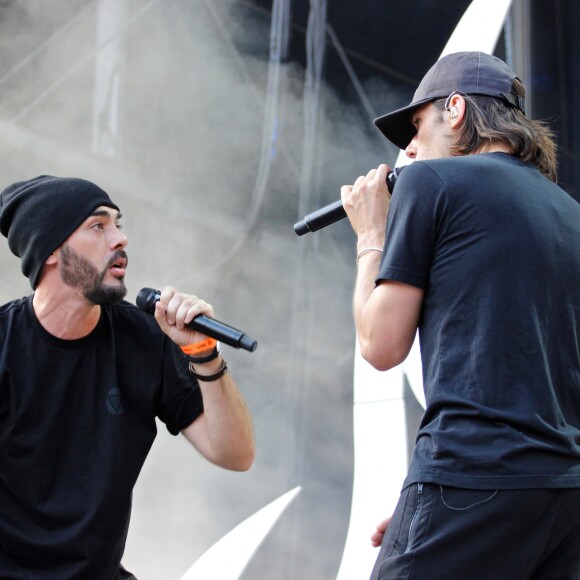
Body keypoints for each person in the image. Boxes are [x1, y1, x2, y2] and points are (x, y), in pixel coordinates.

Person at [340, 51, 580, 579]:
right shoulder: (572, 217)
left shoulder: (432, 184)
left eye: (417, 125)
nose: (408, 148)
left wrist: (371, 238)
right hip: (562, 497)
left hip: (470, 470)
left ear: (454, 110)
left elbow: (381, 344)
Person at [0, 175, 255, 578]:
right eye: (98, 226)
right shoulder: (5, 344)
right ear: (49, 250)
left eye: (118, 224)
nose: (120, 239)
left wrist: (205, 356)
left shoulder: (146, 339)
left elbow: (235, 455)